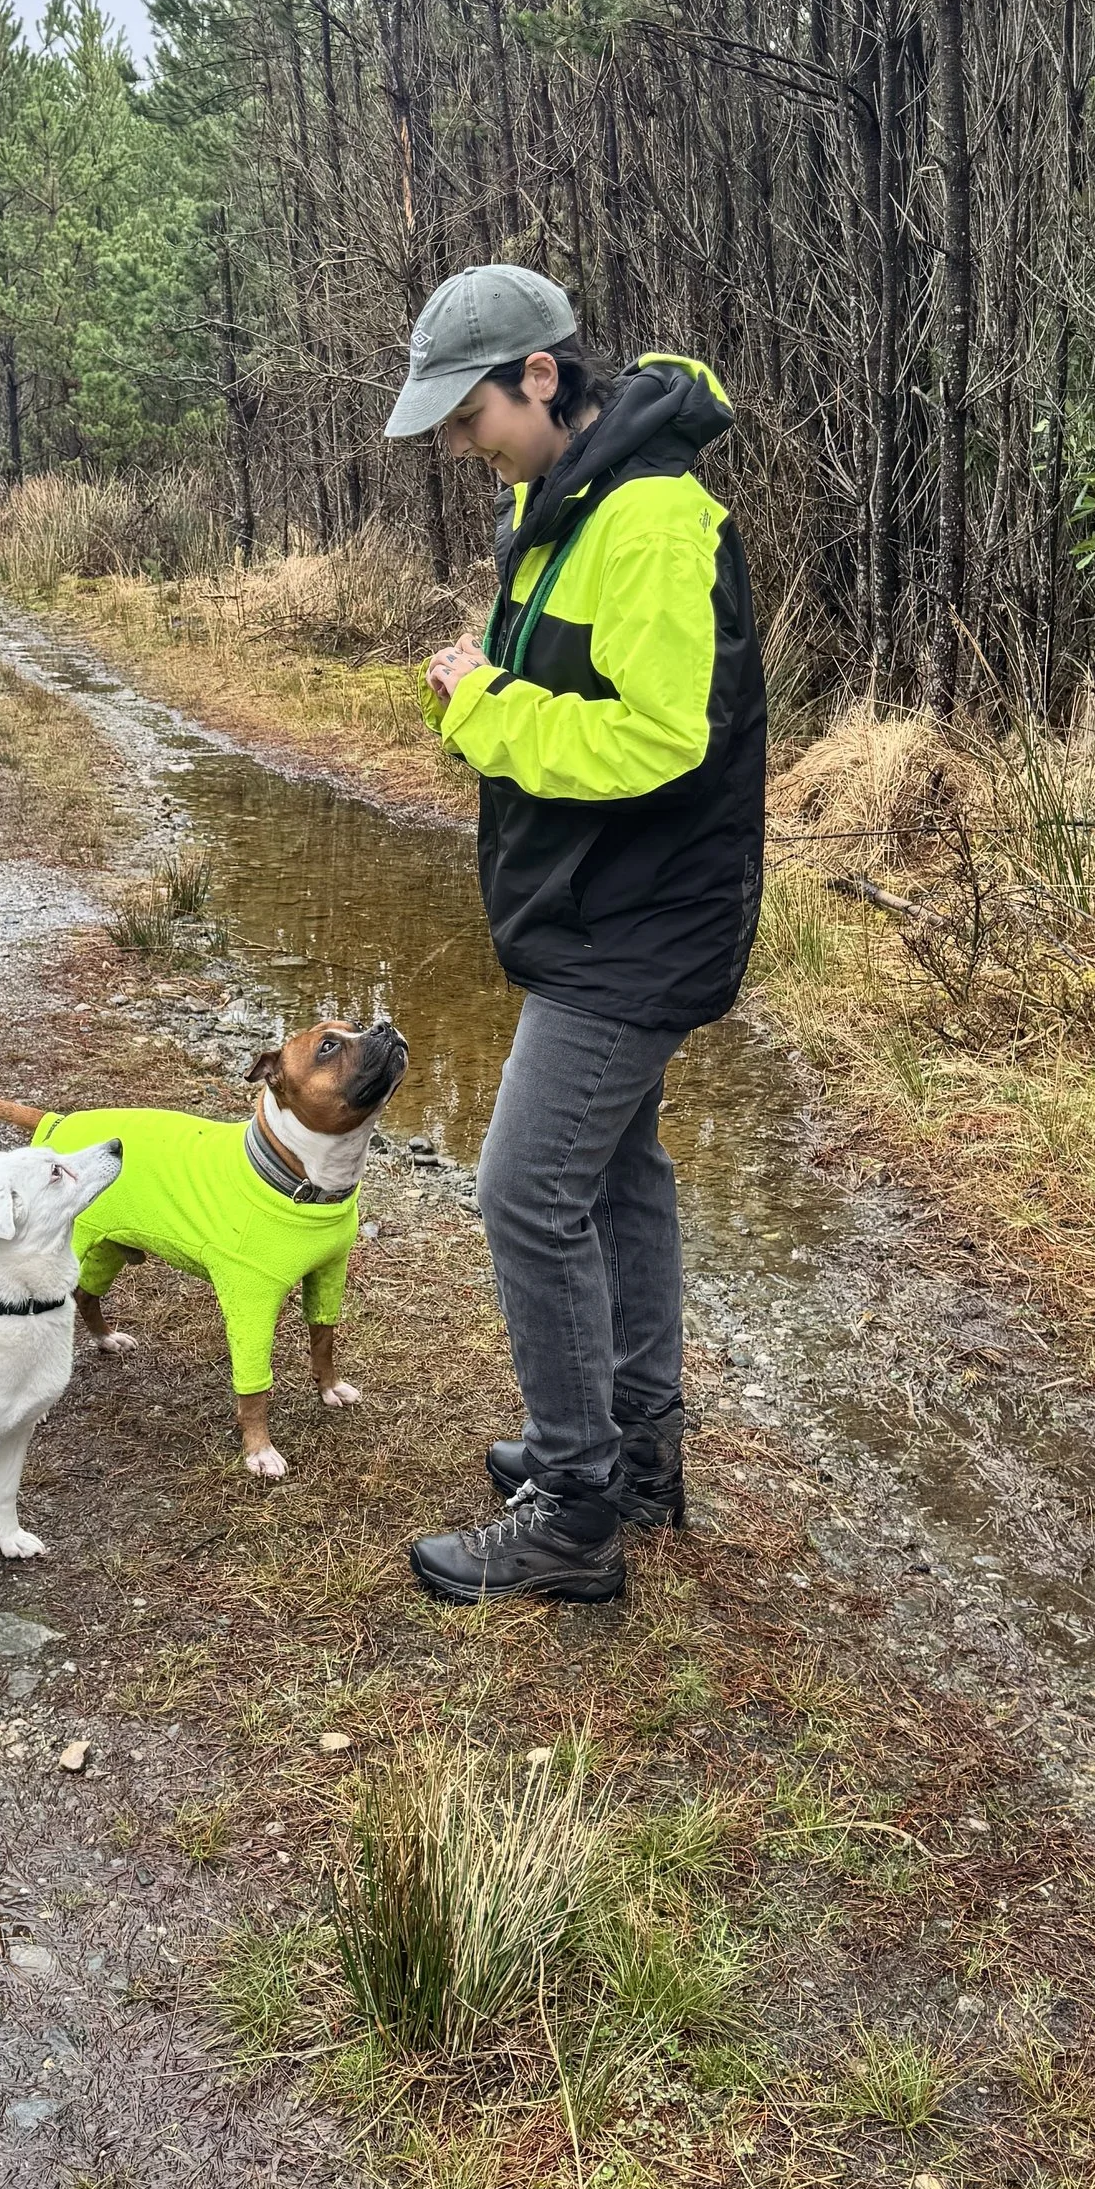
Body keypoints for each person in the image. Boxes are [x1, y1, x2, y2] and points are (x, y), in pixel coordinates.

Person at [383, 263, 767, 1603]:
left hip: (642, 923)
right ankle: (637, 1452)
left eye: (467, 414)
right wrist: (485, 685)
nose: (456, 444)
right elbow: (568, 688)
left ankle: (574, 1508)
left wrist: (484, 708)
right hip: (598, 904)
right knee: (615, 1178)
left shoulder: (654, 518)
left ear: (541, 378)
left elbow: (661, 738)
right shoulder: (561, 503)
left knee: (522, 1194)